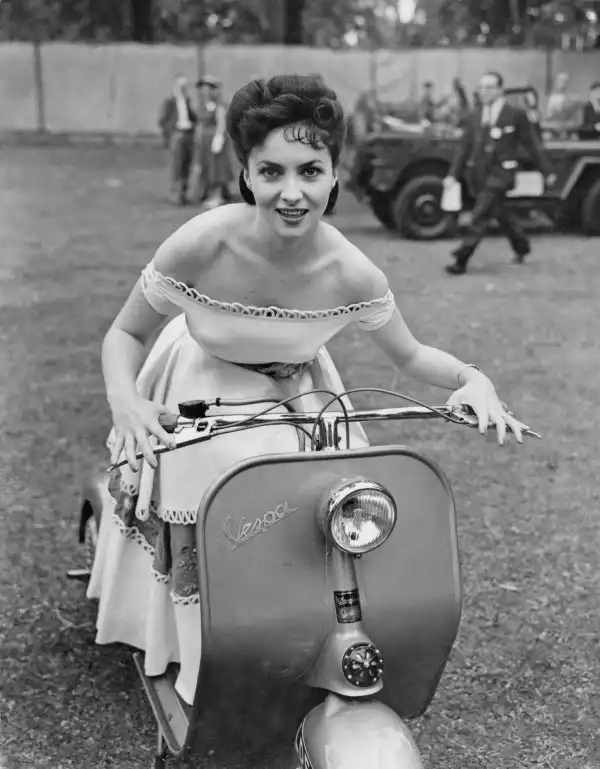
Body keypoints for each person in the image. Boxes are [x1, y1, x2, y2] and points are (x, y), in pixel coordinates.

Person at [90, 74, 527, 706]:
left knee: (332, 503)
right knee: (210, 492)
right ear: (245, 174)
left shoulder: (352, 272)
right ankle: (199, 647)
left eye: (310, 171)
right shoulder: (201, 243)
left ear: (333, 174)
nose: (291, 193)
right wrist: (126, 400)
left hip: (300, 393)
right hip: (200, 380)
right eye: (271, 172)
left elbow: (410, 354)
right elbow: (126, 333)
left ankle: (306, 632)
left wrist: (471, 379)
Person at [444, 71, 556, 276]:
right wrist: (453, 175)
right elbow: (463, 148)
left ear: (500, 90)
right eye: (481, 87)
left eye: (489, 87)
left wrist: (547, 170)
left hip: (502, 174)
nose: (483, 91)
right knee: (500, 213)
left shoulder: (514, 114)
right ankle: (522, 246)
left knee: (480, 215)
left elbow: (532, 144)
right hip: (479, 174)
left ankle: (461, 257)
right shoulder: (475, 116)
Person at [191, 76, 233, 208]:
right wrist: (198, 137)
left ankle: (217, 195)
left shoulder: (219, 105)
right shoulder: (202, 106)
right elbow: (200, 123)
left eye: (208, 88)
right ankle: (208, 193)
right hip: (204, 141)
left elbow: (221, 122)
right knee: (205, 166)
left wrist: (219, 137)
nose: (205, 92)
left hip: (214, 139)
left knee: (216, 167)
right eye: (203, 89)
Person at [158, 76, 197, 205]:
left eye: (185, 86)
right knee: (176, 165)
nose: (183, 89)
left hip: (188, 133)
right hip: (177, 134)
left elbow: (193, 117)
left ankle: (184, 193)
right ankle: (176, 194)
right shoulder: (170, 101)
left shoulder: (188, 100)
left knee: (186, 164)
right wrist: (170, 133)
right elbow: (163, 120)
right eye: (181, 86)